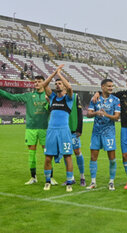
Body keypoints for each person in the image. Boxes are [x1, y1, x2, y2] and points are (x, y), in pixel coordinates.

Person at [0, 76, 57, 185]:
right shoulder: (28, 96)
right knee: (32, 154)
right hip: (31, 129)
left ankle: (50, 177)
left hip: (44, 129)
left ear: (44, 83)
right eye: (35, 82)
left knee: (48, 154)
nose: (36, 83)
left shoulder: (49, 97)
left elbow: (53, 110)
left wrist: (49, 103)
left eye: (39, 82)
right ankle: (33, 177)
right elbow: (12, 97)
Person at [42, 64, 74, 192]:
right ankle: (47, 181)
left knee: (68, 156)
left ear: (64, 86)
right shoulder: (52, 98)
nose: (58, 85)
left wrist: (60, 74)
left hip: (64, 131)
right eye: (57, 84)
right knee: (48, 157)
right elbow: (44, 85)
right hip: (51, 131)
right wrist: (54, 73)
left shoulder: (69, 99)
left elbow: (70, 87)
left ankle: (69, 182)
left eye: (60, 83)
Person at [86, 79, 121, 191]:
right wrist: (96, 113)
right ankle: (93, 182)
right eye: (108, 86)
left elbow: (116, 117)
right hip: (96, 132)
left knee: (112, 158)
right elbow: (88, 114)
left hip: (109, 132)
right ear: (102, 87)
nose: (111, 88)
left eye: (112, 86)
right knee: (93, 157)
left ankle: (111, 181)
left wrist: (105, 114)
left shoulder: (116, 100)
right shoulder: (95, 99)